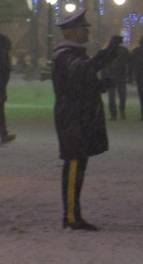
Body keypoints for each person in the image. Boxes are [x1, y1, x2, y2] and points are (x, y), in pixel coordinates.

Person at [50, 12, 126, 230]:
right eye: (84, 29)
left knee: (77, 164)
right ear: (72, 32)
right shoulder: (66, 55)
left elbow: (78, 82)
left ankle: (73, 213)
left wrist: (99, 86)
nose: (88, 32)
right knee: (74, 165)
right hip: (74, 118)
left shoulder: (69, 54)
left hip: (75, 116)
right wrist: (108, 53)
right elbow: (81, 72)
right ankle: (72, 216)